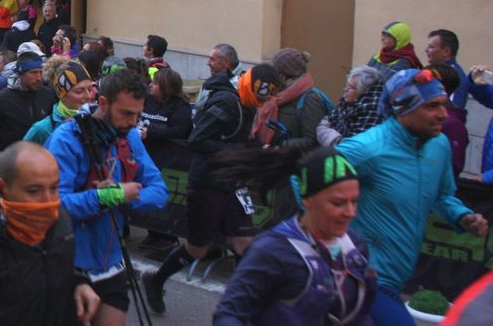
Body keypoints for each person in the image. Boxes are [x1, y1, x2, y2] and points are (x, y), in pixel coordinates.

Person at [337, 68, 489, 326]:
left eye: (443, 104)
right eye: (431, 106)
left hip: (397, 277)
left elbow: (442, 196)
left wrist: (463, 216)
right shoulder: (368, 148)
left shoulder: (439, 145)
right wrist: (334, 239)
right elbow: (303, 181)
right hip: (362, 276)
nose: (443, 114)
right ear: (402, 109)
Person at [143, 63, 280, 315]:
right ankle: (156, 280)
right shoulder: (227, 103)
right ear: (250, 85)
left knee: (245, 242)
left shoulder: (248, 104)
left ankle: (243, 304)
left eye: (264, 100)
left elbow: (240, 140)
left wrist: (259, 149)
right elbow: (198, 140)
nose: (261, 104)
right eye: (259, 98)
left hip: (232, 183)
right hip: (207, 183)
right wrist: (241, 152)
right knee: (197, 248)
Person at [47, 69, 168, 326]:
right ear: (103, 103)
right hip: (69, 263)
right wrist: (106, 196)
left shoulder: (130, 136)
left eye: (137, 114)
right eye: (126, 113)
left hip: (111, 261)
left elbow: (159, 191)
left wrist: (121, 195)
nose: (133, 122)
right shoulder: (65, 139)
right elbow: (53, 205)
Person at [210, 147, 377, 324]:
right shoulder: (271, 250)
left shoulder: (355, 246)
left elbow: (359, 316)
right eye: (338, 203)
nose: (350, 212)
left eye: (354, 201)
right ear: (307, 200)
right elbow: (229, 314)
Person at [0, 141, 101, 325]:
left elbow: (59, 261)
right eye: (34, 190)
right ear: (2, 188)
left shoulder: (58, 216)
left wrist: (79, 283)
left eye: (54, 188)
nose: (47, 201)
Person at [424, 28, 493, 177]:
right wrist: (474, 81)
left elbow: (455, 111)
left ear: (446, 51)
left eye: (431, 47)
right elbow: (488, 96)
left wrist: (487, 178)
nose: (426, 50)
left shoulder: (454, 76)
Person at [0, 51, 55, 163]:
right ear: (21, 73)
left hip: (41, 161)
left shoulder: (47, 95)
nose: (38, 78)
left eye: (40, 72)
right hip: (12, 163)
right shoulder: (2, 99)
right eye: (33, 73)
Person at [250, 48, 329, 149]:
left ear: (286, 74)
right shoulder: (276, 93)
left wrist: (279, 146)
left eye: (275, 72)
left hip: (290, 157)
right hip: (270, 154)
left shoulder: (311, 99)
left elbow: (313, 141)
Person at [24, 61, 95, 145]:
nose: (88, 96)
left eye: (90, 89)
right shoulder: (43, 129)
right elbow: (20, 152)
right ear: (62, 96)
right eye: (79, 91)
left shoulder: (99, 117)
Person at [317, 65, 384, 146]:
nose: (345, 89)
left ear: (364, 92)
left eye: (351, 87)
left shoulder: (372, 111)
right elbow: (322, 126)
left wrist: (332, 137)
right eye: (347, 85)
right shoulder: (345, 103)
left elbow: (354, 147)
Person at [139, 66, 193, 152]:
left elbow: (179, 132)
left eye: (155, 83)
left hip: (167, 152)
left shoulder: (181, 105)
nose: (150, 85)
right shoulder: (148, 99)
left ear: (165, 88)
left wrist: (150, 133)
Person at [194, 43, 244, 110]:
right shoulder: (212, 81)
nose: (208, 63)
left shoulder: (243, 84)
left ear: (226, 62)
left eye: (212, 59)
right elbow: (198, 107)